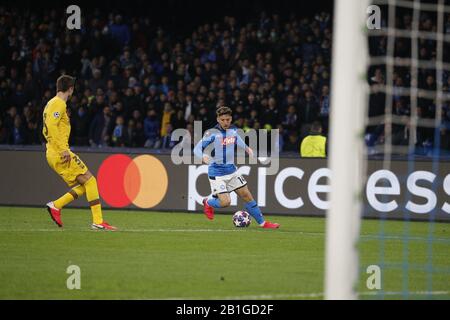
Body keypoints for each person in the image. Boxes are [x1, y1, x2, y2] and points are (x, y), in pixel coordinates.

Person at [42, 75, 117, 230]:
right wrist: (63, 150)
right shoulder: (59, 103)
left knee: (87, 184)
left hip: (53, 151)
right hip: (60, 152)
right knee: (91, 181)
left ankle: (56, 206)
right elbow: (51, 126)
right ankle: (97, 221)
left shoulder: (51, 103)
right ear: (70, 89)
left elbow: (49, 128)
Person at [194, 106, 280, 229]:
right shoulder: (212, 133)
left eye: (228, 119)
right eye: (223, 119)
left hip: (232, 171)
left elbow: (239, 141)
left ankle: (263, 223)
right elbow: (196, 149)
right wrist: (203, 157)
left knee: (246, 195)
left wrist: (248, 149)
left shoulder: (233, 130)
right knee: (226, 202)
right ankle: (207, 202)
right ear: (218, 119)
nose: (225, 122)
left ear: (231, 119)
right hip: (217, 173)